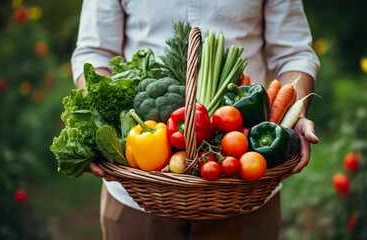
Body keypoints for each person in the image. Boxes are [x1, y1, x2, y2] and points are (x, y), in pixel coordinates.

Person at [71, 0, 320, 239]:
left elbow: (294, 52)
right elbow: (95, 52)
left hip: (244, 186)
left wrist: (293, 116)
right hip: (135, 192)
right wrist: (99, 123)